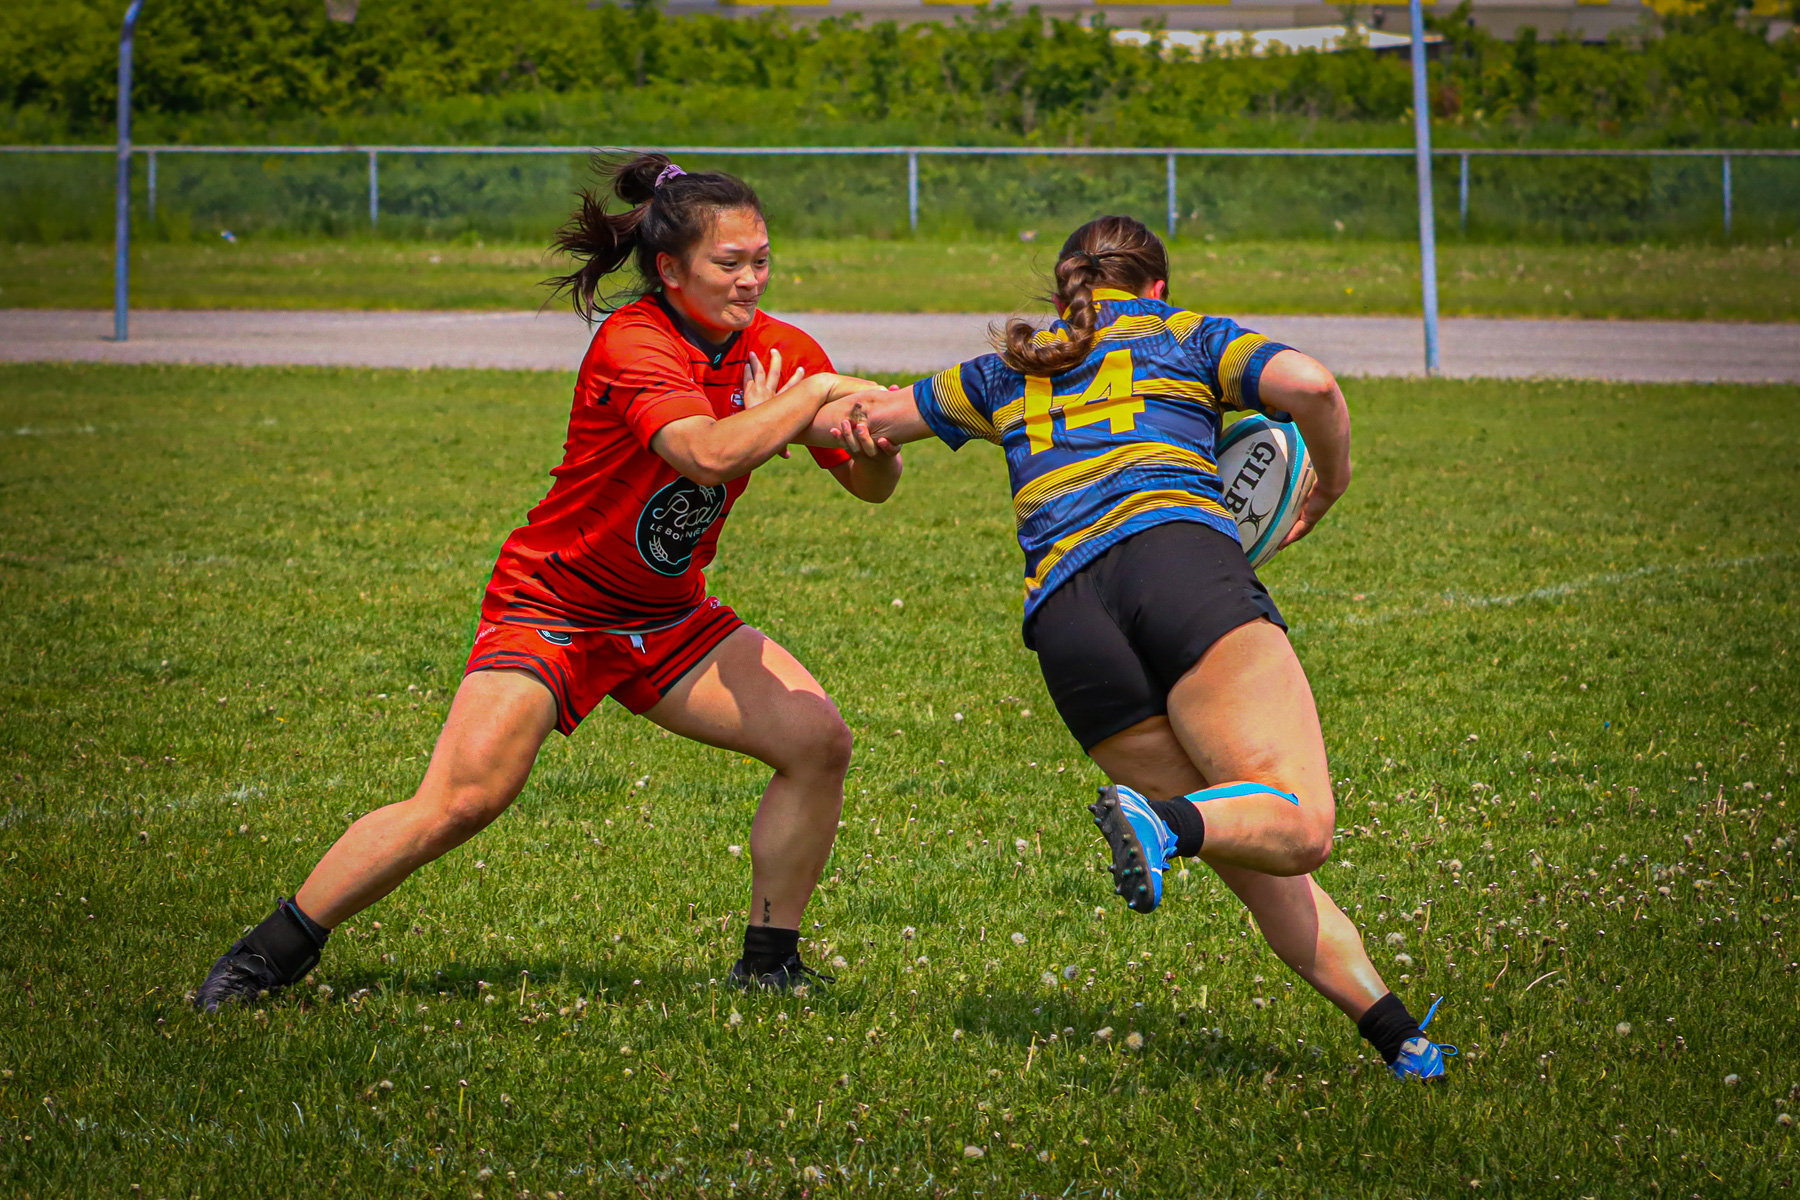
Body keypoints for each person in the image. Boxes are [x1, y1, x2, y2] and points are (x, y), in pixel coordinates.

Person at [193, 154, 899, 1010]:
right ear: (670, 270)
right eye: (730, 263)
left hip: (667, 619)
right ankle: (262, 959)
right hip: (554, 604)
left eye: (762, 260)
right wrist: (811, 395)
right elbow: (705, 456)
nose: (752, 280)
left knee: (817, 742)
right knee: (464, 798)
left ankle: (770, 966)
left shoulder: (782, 351)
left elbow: (868, 486)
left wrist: (874, 448)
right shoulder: (634, 340)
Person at [804, 215, 1454, 1080]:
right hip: (1175, 565)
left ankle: (1398, 1036)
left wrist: (791, 398)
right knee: (1299, 827)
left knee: (1258, 856)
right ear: (1154, 288)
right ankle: (1164, 825)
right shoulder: (1184, 334)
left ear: (1068, 290)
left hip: (1069, 625)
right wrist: (1328, 486)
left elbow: (873, 422)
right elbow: (1314, 387)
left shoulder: (1006, 368)